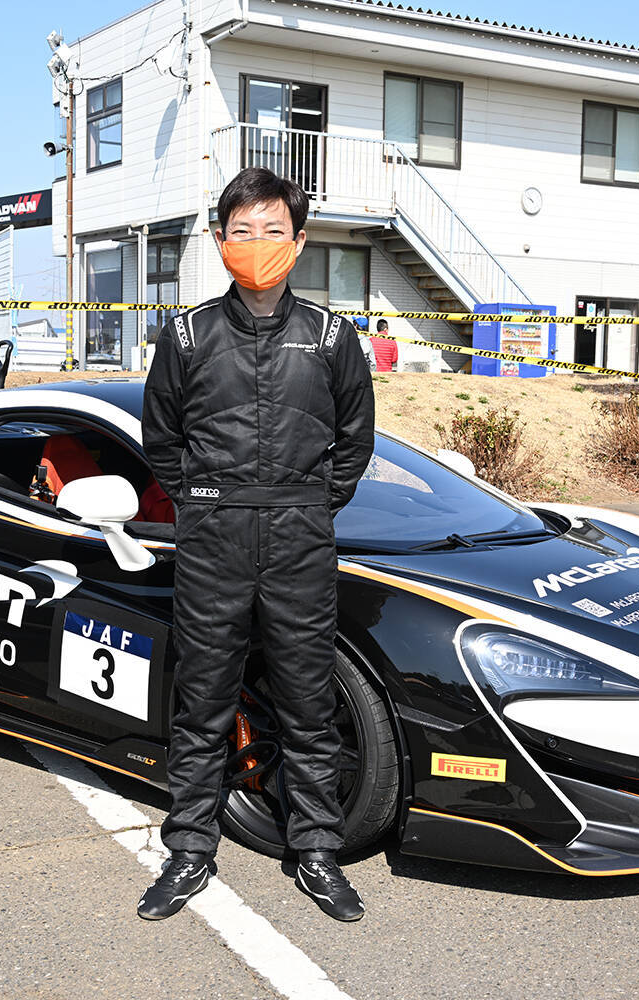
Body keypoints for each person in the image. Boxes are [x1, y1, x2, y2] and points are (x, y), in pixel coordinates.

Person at [139, 167, 375, 922]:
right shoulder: (187, 335)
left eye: (273, 229)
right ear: (220, 241)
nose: (257, 243)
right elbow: (160, 438)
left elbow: (355, 440)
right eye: (242, 230)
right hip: (214, 539)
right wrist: (204, 501)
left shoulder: (332, 337)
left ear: (299, 242)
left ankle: (316, 851)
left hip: (300, 539)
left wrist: (310, 503)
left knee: (307, 702)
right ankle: (188, 850)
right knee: (203, 699)